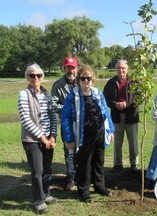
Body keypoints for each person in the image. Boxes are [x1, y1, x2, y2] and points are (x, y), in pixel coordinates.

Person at [61, 65, 114, 202]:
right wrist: (69, 138)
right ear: (79, 80)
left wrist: (111, 130)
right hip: (83, 136)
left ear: (93, 79)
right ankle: (83, 190)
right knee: (84, 164)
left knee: (98, 162)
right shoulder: (73, 95)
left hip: (99, 134)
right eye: (83, 78)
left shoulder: (98, 93)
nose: (86, 81)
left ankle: (99, 186)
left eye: (88, 78)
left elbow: (106, 113)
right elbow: (65, 117)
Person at [18, 64, 58, 214]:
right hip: (32, 139)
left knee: (47, 169)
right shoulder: (24, 94)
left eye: (38, 75)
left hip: (48, 138)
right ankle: (39, 201)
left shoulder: (47, 94)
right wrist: (42, 138)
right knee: (37, 170)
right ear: (27, 77)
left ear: (42, 77)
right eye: (32, 75)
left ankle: (46, 194)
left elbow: (53, 116)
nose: (35, 78)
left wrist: (53, 136)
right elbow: (25, 119)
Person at [103, 60, 139, 172]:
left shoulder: (134, 82)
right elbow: (105, 99)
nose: (121, 70)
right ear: (116, 69)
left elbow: (139, 97)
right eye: (118, 68)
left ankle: (134, 164)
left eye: (123, 68)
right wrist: (115, 104)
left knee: (133, 141)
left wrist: (126, 103)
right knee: (117, 141)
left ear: (127, 69)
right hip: (116, 116)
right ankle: (118, 164)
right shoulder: (111, 83)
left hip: (131, 116)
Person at [51, 56, 78, 190]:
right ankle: (71, 176)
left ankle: (83, 174)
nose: (70, 70)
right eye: (68, 67)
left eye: (72, 68)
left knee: (84, 148)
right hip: (67, 123)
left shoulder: (83, 80)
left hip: (82, 123)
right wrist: (68, 107)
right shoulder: (58, 85)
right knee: (69, 149)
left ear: (76, 69)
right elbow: (53, 104)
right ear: (64, 68)